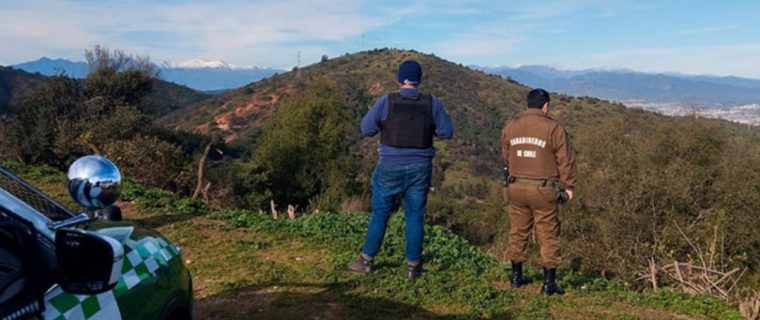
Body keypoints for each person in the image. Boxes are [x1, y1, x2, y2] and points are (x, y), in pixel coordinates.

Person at [347, 59, 454, 280]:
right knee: (415, 217)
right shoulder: (432, 103)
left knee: (380, 214)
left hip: (389, 166)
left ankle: (366, 261)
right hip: (420, 168)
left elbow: (366, 129)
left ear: (398, 79)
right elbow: (446, 132)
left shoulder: (386, 101)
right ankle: (413, 267)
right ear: (419, 80)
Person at [501, 88, 576, 295]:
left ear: (527, 105)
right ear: (546, 106)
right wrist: (569, 186)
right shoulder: (554, 128)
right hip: (543, 190)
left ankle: (516, 276)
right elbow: (565, 160)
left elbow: (506, 156)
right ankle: (548, 283)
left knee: (518, 231)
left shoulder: (511, 126)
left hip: (516, 187)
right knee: (548, 234)